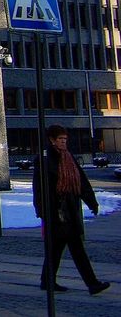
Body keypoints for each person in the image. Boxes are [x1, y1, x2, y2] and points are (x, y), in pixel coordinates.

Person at [33, 125, 110, 295]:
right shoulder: (44, 159)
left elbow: (81, 181)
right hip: (56, 212)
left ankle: (48, 281)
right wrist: (41, 210)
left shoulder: (68, 157)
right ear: (52, 140)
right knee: (74, 249)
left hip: (69, 211)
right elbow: (38, 188)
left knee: (57, 250)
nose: (63, 142)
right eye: (60, 139)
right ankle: (92, 284)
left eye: (65, 139)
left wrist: (92, 202)